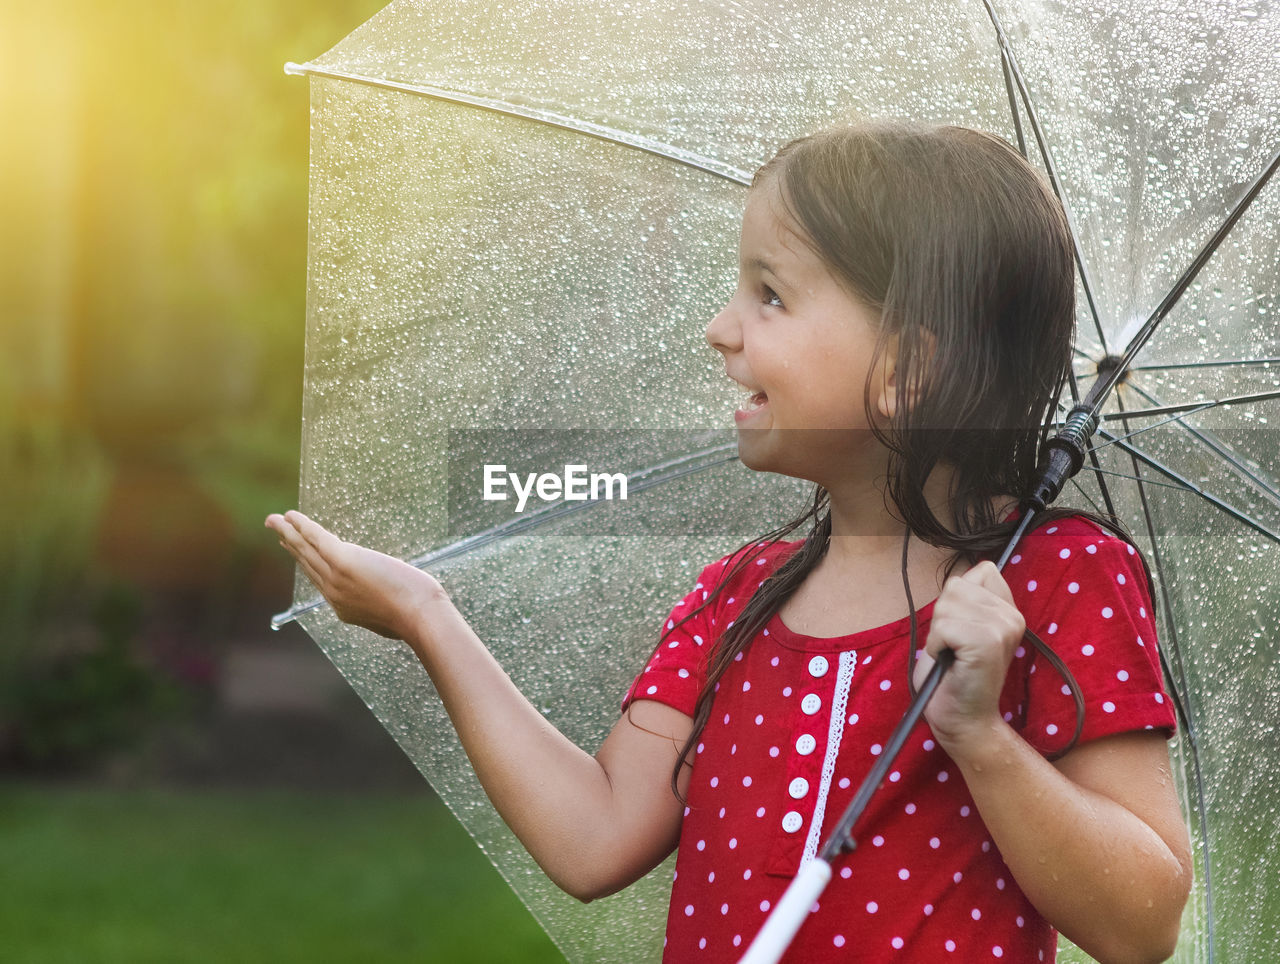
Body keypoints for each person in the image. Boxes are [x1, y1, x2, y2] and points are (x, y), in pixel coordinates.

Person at [266, 121, 1192, 962]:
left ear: (907, 368)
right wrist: (429, 616)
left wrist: (979, 737)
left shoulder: (1051, 581)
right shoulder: (739, 596)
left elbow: (1142, 922)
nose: (720, 329)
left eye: (771, 296)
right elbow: (595, 838)